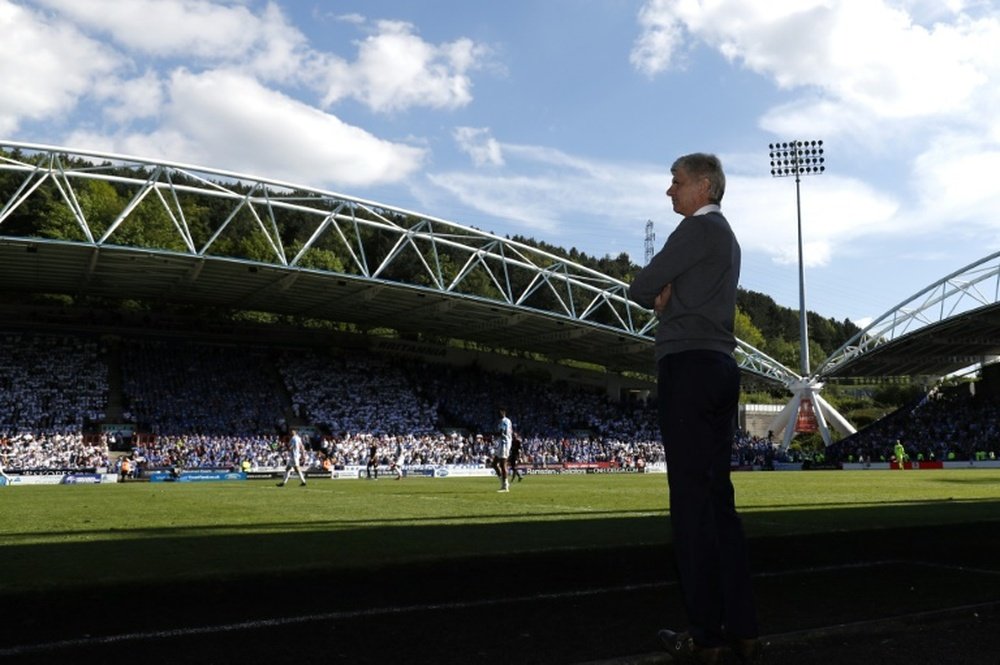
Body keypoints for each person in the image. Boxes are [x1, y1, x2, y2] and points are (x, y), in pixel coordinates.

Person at [628, 153, 760, 664]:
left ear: (704, 186)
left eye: (676, 182)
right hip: (721, 366)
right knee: (718, 502)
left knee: (690, 504)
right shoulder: (728, 238)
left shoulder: (695, 231)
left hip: (687, 366)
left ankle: (705, 635)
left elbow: (639, 286)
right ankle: (743, 627)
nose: (669, 191)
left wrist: (661, 295)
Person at [493, 408, 513, 492]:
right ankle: (504, 482)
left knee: (502, 464)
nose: (498, 414)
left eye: (499, 412)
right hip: (500, 443)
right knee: (494, 464)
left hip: (504, 443)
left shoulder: (505, 421)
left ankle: (505, 486)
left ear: (503, 412)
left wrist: (493, 433)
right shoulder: (501, 421)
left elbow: (502, 432)